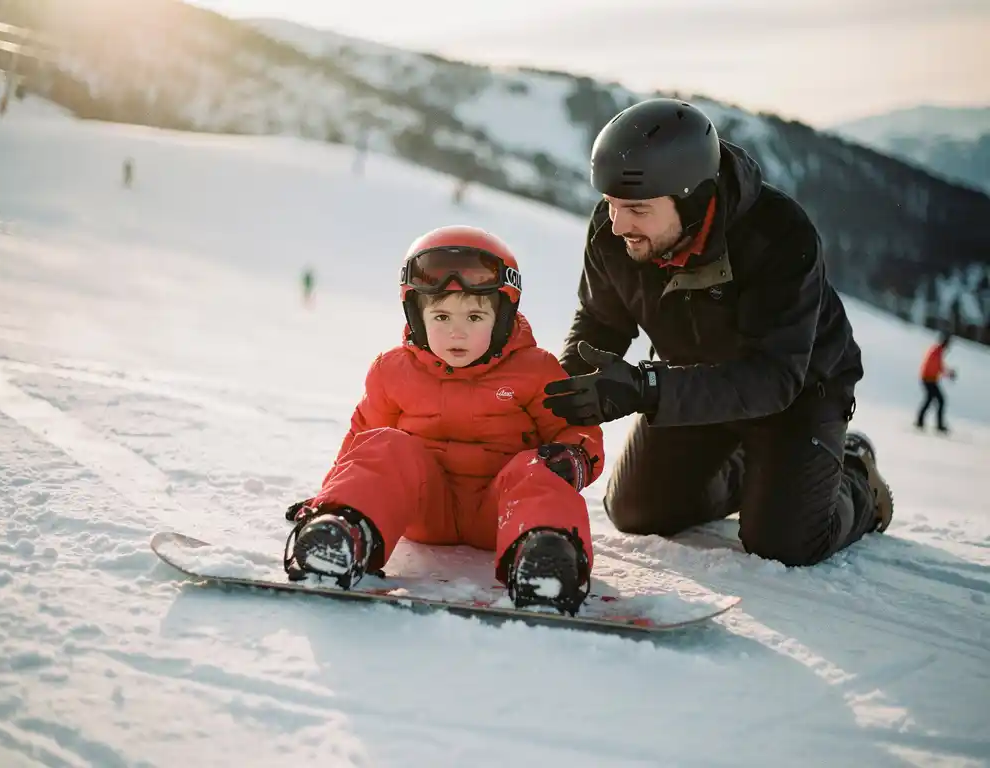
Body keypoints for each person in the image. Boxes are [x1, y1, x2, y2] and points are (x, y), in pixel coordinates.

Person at [543, 98, 893, 568]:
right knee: (636, 512)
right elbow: (601, 322)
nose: (617, 224)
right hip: (694, 382)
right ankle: (762, 475)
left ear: (692, 199)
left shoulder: (779, 235)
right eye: (610, 204)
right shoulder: (613, 232)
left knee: (783, 543)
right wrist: (555, 400)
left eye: (637, 209)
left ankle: (853, 474)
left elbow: (774, 378)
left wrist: (647, 389)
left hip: (799, 394)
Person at [283, 226, 605, 614]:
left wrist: (574, 458)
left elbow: (575, 428)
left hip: (504, 515)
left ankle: (544, 557)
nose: (457, 331)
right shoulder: (392, 371)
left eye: (474, 316)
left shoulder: (537, 371)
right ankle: (343, 536)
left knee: (537, 467)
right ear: (417, 316)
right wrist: (330, 499)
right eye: (441, 316)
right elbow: (361, 444)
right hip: (423, 511)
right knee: (387, 443)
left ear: (502, 318)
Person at [916, 333, 956, 433]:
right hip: (928, 379)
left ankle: (920, 422)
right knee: (940, 400)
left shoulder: (937, 351)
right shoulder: (937, 351)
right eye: (948, 344)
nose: (948, 347)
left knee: (931, 399)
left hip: (929, 379)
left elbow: (938, 367)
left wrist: (948, 373)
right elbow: (936, 367)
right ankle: (937, 425)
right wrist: (948, 373)